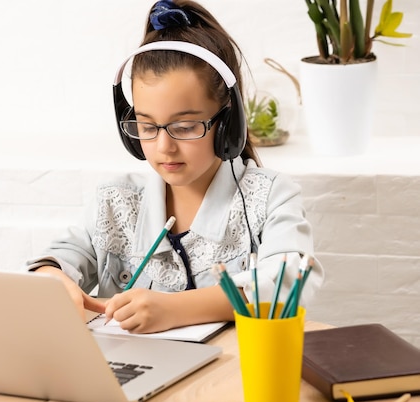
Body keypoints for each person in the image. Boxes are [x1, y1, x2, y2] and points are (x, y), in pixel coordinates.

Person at [27, 0, 323, 334]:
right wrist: (51, 277)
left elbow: (289, 281)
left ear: (228, 124)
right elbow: (62, 256)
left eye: (184, 127)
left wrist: (174, 309)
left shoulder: (270, 197)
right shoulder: (115, 200)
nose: (164, 147)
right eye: (147, 127)